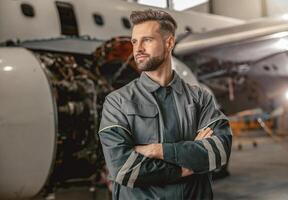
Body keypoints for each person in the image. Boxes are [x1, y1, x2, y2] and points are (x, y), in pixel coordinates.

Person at [98, 9, 232, 200]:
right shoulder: (117, 102)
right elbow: (124, 169)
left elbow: (217, 153)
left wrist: (157, 150)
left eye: (147, 40)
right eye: (135, 42)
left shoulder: (200, 98)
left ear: (169, 42)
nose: (137, 49)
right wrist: (185, 166)